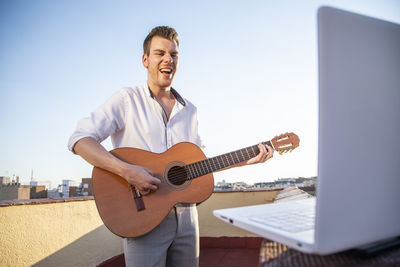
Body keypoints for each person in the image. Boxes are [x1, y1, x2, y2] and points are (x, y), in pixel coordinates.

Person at [68, 26, 274, 267]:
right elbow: (80, 140)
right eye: (160, 53)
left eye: (174, 55)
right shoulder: (126, 99)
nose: (168, 59)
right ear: (145, 60)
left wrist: (248, 159)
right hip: (141, 217)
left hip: (188, 218)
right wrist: (127, 172)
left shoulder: (190, 111)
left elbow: (199, 166)